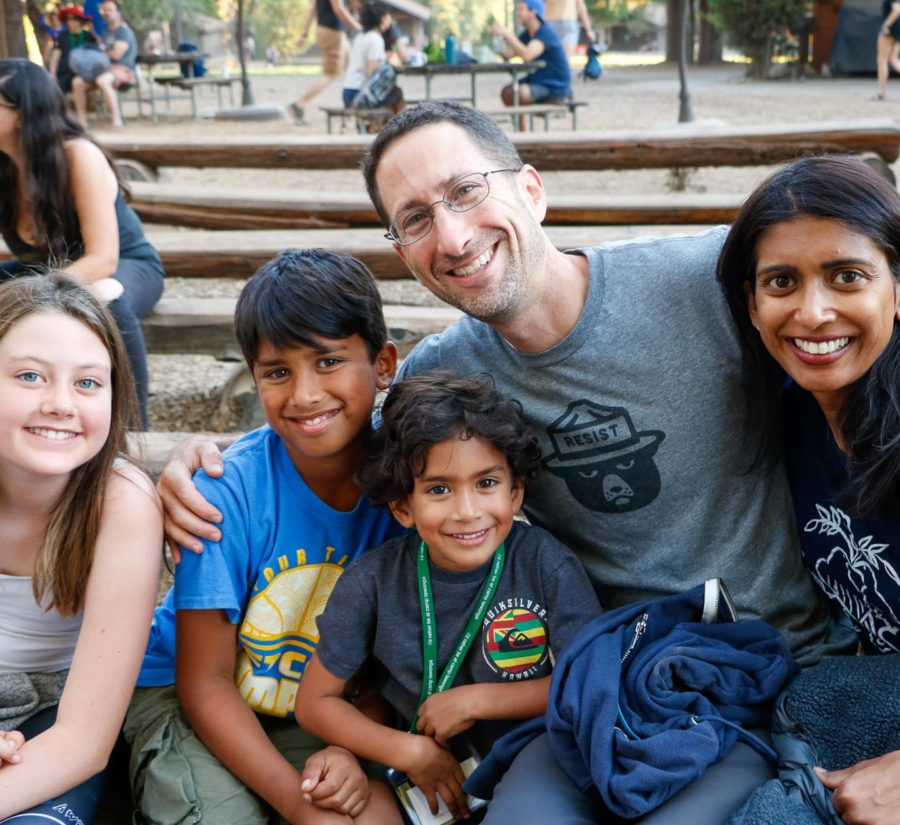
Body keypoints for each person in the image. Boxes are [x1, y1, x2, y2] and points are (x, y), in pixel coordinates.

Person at [158, 101, 857, 824]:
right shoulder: (446, 373)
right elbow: (335, 423)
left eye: (466, 191)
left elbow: (852, 321)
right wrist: (204, 461)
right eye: (416, 219)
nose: (453, 236)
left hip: (768, 668)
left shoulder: (702, 280)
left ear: (531, 188)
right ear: (403, 252)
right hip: (594, 683)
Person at [123, 249, 404, 825]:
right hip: (185, 696)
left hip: (318, 706)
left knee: (370, 813)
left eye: (328, 361)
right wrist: (294, 805)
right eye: (277, 372)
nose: (304, 394)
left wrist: (348, 750)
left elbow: (387, 667)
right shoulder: (225, 494)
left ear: (383, 365)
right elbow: (205, 683)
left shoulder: (410, 488)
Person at [296, 372, 601, 821]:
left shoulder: (544, 563)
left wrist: (477, 701)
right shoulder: (370, 583)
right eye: (438, 489)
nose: (467, 511)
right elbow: (314, 703)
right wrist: (407, 752)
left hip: (535, 767)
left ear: (515, 491)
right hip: (418, 778)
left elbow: (588, 681)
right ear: (402, 507)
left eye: (486, 483)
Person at [717, 154, 900, 825]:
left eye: (847, 276)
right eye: (782, 282)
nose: (813, 312)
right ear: (752, 302)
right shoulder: (795, 416)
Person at [0, 272, 162, 823]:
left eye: (88, 383)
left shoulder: (121, 503)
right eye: (30, 376)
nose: (60, 404)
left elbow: (83, 741)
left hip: (55, 720)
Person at [0, 58, 164, 428]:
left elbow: (103, 259)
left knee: (105, 297)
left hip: (126, 267)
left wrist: (34, 295)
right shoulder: (4, 167)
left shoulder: (77, 156)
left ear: (22, 113)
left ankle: (132, 431)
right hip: (50, 269)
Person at [490, 0, 571, 115]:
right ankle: (521, 127)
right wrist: (498, 40)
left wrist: (509, 35)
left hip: (554, 85)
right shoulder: (527, 35)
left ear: (533, 12)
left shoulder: (545, 32)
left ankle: (522, 126)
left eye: (521, 9)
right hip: (538, 80)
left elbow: (527, 55)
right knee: (507, 92)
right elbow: (508, 55)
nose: (518, 13)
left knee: (517, 93)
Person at [291, 0, 362, 123]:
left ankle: (354, 104)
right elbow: (338, 8)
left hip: (332, 32)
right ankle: (299, 104)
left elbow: (313, 9)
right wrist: (359, 28)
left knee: (353, 67)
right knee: (330, 74)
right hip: (333, 32)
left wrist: (304, 34)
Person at [70, 0, 137, 129]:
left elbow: (116, 55)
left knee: (103, 80)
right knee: (77, 82)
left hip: (122, 71)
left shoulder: (124, 32)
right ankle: (81, 121)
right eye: (103, 10)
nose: (106, 13)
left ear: (118, 13)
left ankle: (116, 120)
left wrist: (101, 51)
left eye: (109, 10)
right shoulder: (105, 32)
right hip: (103, 70)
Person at [342, 2, 399, 109]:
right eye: (389, 16)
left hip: (348, 91)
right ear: (383, 18)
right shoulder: (375, 39)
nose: (390, 19)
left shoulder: (361, 36)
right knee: (397, 95)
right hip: (359, 95)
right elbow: (372, 72)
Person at [49, 6, 102, 100]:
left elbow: (98, 54)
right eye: (68, 19)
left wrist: (92, 29)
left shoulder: (89, 36)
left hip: (85, 73)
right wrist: (52, 74)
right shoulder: (62, 36)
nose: (70, 22)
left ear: (80, 20)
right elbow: (55, 56)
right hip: (66, 73)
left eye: (74, 19)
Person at [875, 0, 900, 100]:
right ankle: (881, 93)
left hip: (890, 31)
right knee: (893, 59)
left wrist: (886, 24)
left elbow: (897, 10)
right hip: (897, 30)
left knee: (882, 60)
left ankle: (881, 93)